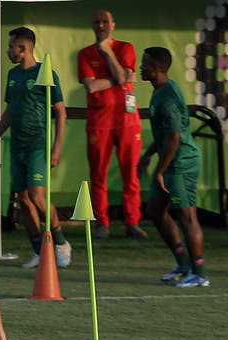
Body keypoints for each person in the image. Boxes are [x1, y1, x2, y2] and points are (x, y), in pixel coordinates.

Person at [0, 27, 72, 269]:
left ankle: (61, 243)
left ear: (22, 48)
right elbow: (10, 111)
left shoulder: (46, 73)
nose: (7, 51)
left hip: (38, 145)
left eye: (10, 46)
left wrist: (56, 147)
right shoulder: (13, 75)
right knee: (23, 199)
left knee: (37, 196)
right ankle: (40, 252)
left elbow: (61, 111)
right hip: (18, 146)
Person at [138, 47, 210, 288]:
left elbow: (173, 140)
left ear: (158, 68)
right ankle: (183, 263)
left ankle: (200, 273)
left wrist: (159, 171)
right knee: (155, 210)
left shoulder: (168, 98)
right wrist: (148, 155)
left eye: (145, 64)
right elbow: (163, 136)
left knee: (187, 216)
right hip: (170, 160)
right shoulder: (160, 90)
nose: (140, 68)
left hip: (182, 162)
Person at [77, 9, 147, 240]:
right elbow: (92, 86)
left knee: (131, 174)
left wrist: (107, 51)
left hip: (127, 122)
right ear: (92, 25)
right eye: (97, 21)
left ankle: (133, 222)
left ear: (113, 25)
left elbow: (122, 75)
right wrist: (120, 78)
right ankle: (102, 223)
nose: (101, 25)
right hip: (99, 122)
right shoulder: (85, 54)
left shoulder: (125, 48)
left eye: (105, 21)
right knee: (98, 175)